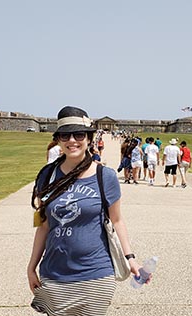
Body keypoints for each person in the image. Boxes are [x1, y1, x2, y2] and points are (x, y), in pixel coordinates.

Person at [28, 106, 145, 315]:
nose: (72, 140)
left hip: (96, 275)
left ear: (89, 138)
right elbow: (43, 226)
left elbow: (117, 220)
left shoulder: (105, 176)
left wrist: (131, 258)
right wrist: (31, 266)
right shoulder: (46, 176)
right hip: (54, 275)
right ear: (58, 139)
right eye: (65, 135)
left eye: (79, 134)